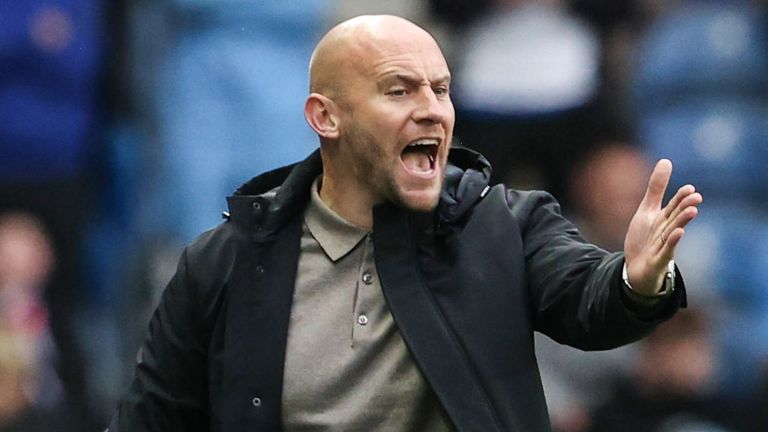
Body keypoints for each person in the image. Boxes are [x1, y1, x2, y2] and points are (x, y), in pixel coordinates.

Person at [108, 15, 702, 432]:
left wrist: (636, 280)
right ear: (326, 117)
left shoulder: (502, 225)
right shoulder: (226, 263)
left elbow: (588, 300)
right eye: (399, 89)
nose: (430, 108)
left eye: (440, 89)